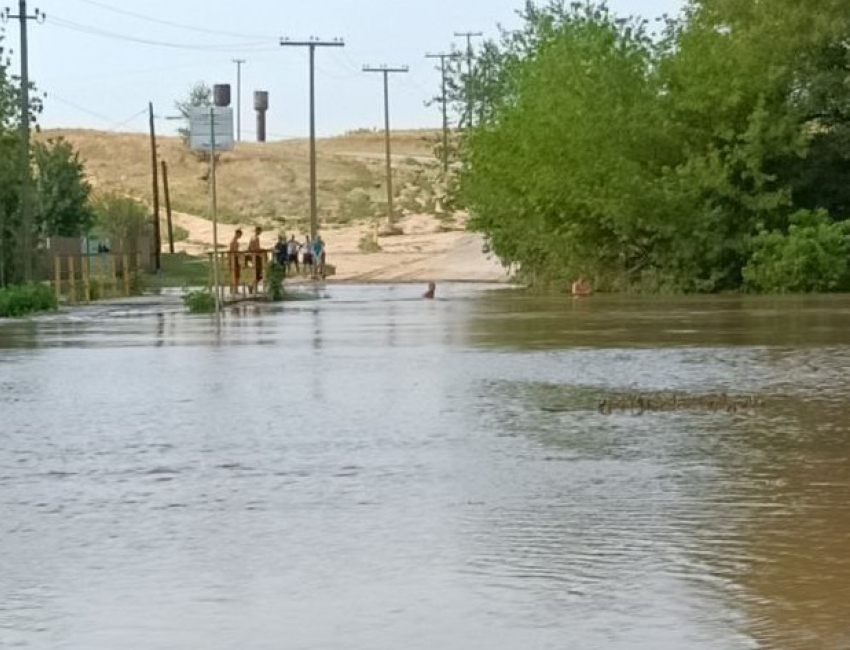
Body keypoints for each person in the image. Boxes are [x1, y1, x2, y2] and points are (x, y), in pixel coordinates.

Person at [247, 226, 264, 294]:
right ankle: (252, 286)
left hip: (253, 256)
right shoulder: (256, 238)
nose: (260, 232)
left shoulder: (252, 238)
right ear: (257, 231)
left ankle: (253, 287)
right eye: (259, 231)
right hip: (256, 256)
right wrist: (262, 250)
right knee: (259, 273)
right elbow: (257, 248)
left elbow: (249, 247)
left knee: (257, 273)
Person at [229, 229, 243, 294]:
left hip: (233, 258)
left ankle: (232, 289)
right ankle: (235, 290)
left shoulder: (234, 241)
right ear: (237, 234)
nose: (240, 236)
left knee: (234, 274)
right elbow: (234, 251)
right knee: (236, 275)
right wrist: (239, 254)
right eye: (240, 235)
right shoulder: (234, 242)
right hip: (234, 259)